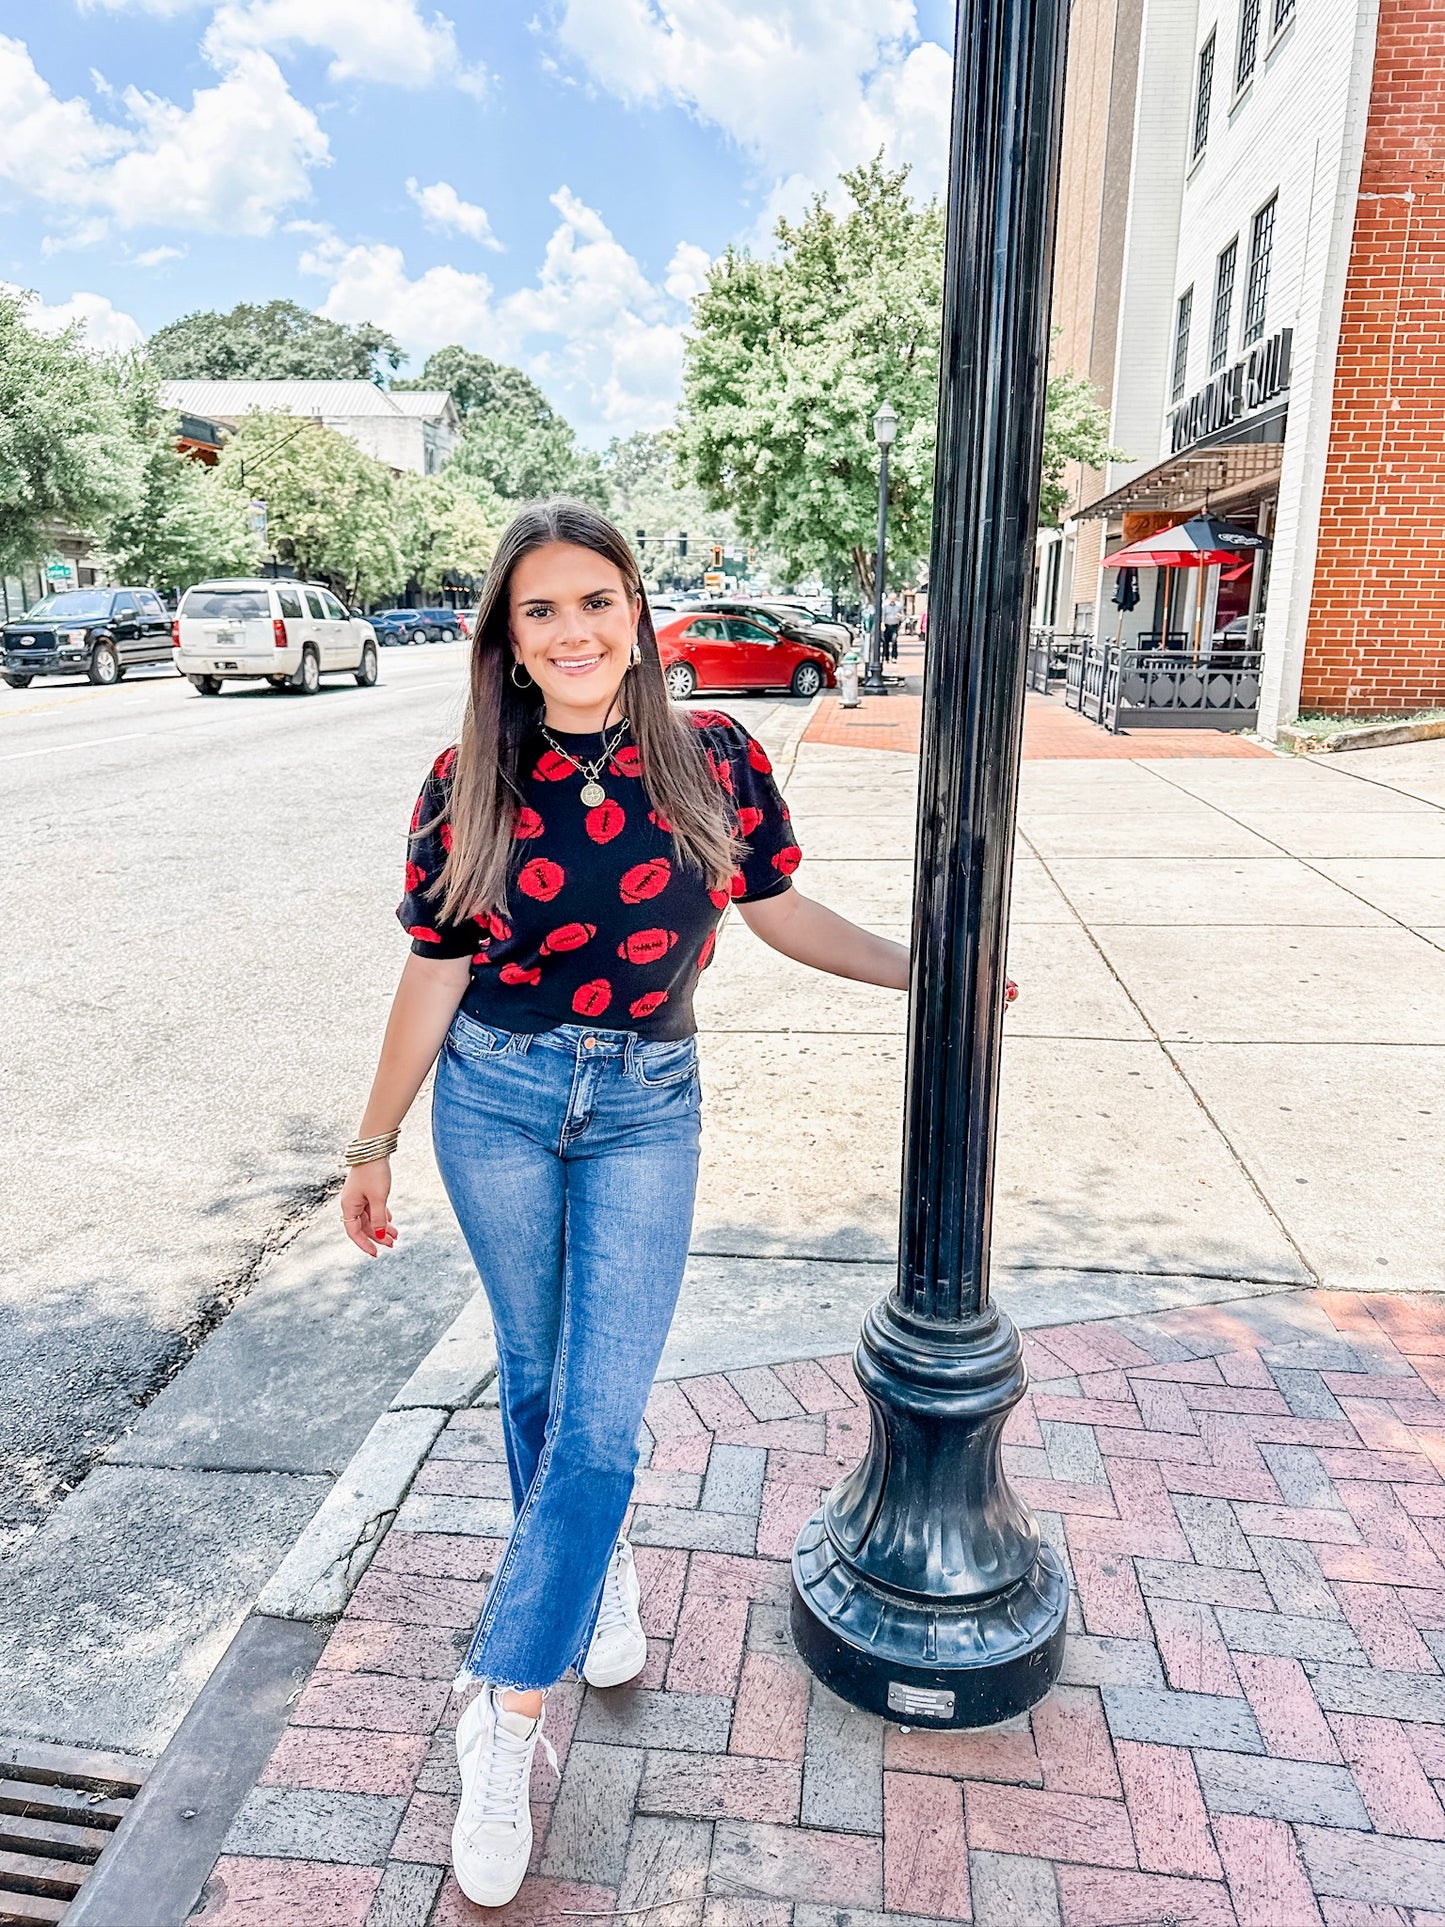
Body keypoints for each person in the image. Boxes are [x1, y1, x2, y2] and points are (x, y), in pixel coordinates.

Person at [339, 499, 909, 1909]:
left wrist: (926, 969)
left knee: (599, 1412)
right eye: (541, 610)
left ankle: (504, 1703)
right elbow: (435, 965)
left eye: (597, 599)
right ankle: (590, 1570)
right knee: (537, 1381)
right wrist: (372, 1140)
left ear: (638, 612)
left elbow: (778, 909)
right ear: (508, 640)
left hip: (647, 1102)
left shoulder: (712, 754)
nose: (574, 628)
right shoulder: (468, 772)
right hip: (497, 1102)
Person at [882, 591, 902, 662]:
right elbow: (883, 616)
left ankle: (894, 657)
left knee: (894, 641)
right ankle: (886, 657)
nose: (893, 600)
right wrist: (882, 624)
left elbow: (902, 615)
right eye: (892, 598)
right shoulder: (885, 606)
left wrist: (900, 617)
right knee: (885, 642)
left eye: (894, 598)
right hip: (887, 625)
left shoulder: (898, 606)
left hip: (894, 625)